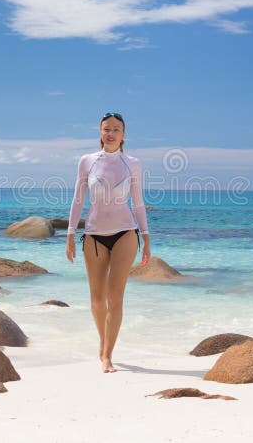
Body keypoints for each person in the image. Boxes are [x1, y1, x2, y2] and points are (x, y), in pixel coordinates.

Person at [66, 112, 151, 373]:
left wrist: (146, 238)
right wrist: (70, 234)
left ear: (124, 135)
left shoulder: (132, 163)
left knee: (115, 299)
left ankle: (107, 355)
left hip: (126, 233)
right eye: (106, 129)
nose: (111, 133)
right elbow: (79, 200)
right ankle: (102, 341)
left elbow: (137, 203)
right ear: (100, 133)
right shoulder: (87, 161)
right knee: (97, 300)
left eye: (116, 129)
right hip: (93, 236)